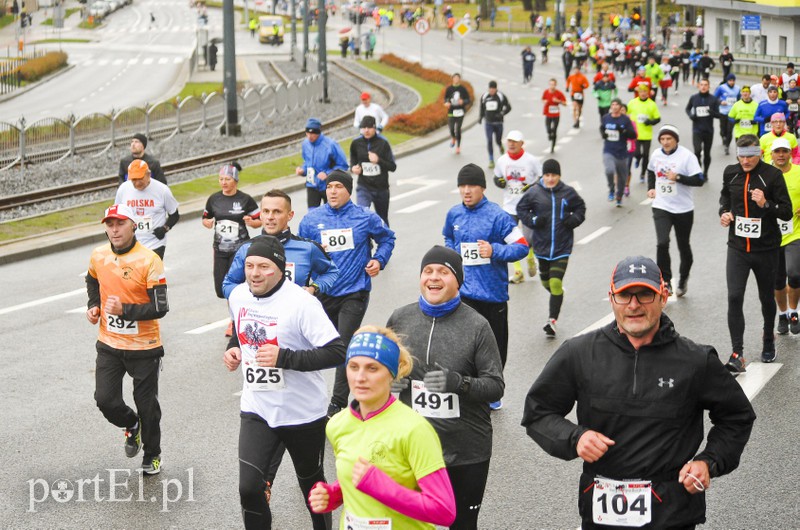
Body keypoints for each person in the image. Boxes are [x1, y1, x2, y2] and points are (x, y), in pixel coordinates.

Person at [521, 255, 757, 530]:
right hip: (600, 511)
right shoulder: (579, 353)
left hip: (671, 511)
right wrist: (576, 437)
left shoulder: (696, 360)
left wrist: (709, 461)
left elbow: (737, 417)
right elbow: (538, 412)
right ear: (611, 298)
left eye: (645, 295)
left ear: (663, 296)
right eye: (624, 295)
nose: (633, 305)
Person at [224, 236, 345, 530]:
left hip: (302, 413)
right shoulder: (238, 295)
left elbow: (337, 352)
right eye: (250, 265)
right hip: (258, 408)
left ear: (279, 269)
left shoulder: (302, 303)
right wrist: (233, 348)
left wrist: (285, 358)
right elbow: (243, 330)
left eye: (263, 266)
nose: (254, 273)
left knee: (312, 489)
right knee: (249, 489)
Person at [386, 248, 503, 529]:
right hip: (411, 447)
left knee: (462, 523)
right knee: (407, 523)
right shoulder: (400, 318)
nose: (434, 278)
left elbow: (496, 387)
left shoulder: (477, 326)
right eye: (428, 271)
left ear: (457, 280)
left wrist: (458, 383)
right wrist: (389, 381)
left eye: (443, 272)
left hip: (465, 450)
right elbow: (379, 369)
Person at [308, 327, 457, 529]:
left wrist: (383, 487)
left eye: (372, 368)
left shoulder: (415, 429)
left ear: (391, 374)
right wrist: (334, 495)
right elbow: (356, 478)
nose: (360, 377)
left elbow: (444, 510)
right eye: (353, 366)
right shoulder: (337, 424)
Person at [298, 171, 396, 417]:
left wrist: (378, 260)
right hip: (323, 292)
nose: (332, 191)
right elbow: (302, 255)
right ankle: (307, 397)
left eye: (338, 186)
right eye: (329, 186)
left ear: (348, 190)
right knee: (316, 345)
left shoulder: (365, 217)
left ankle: (337, 403)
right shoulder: (312, 220)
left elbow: (387, 239)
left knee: (342, 345)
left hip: (355, 291)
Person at [86, 204, 170, 475]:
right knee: (105, 399)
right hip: (110, 343)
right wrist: (94, 305)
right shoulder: (98, 255)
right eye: (109, 224)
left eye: (120, 223)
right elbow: (92, 280)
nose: (114, 229)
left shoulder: (149, 260)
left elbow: (160, 307)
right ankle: (131, 424)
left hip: (145, 347)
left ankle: (153, 454)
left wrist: (126, 310)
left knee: (147, 406)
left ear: (133, 225)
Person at [443, 163, 529, 410]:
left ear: (482, 187)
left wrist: (494, 250)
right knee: (463, 343)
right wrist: (452, 251)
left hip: (493, 294)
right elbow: (449, 237)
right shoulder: (454, 214)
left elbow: (521, 246)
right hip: (464, 293)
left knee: (495, 346)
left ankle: (493, 389)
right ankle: (467, 388)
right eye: (462, 186)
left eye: (472, 186)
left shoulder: (497, 216)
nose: (466, 191)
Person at [719, 134, 793, 371]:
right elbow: (724, 198)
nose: (745, 161)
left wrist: (765, 204)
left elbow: (787, 212)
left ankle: (768, 339)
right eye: (741, 156)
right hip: (738, 248)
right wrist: (724, 212)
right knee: (734, 297)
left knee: (765, 298)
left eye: (750, 156)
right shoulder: (730, 173)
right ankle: (737, 352)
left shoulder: (772, 175)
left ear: (759, 153)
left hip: (766, 249)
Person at [516, 159, 586, 336]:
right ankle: (558, 295)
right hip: (542, 246)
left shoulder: (568, 192)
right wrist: (533, 221)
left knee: (555, 282)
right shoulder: (534, 193)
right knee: (546, 282)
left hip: (562, 246)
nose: (550, 178)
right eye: (547, 175)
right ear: (543, 176)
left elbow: (580, 208)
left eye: (554, 175)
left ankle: (552, 320)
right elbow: (521, 209)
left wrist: (573, 220)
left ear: (559, 175)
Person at [646, 125, 705, 296]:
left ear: (676, 140)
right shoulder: (656, 154)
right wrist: (651, 188)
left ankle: (683, 278)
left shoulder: (687, 156)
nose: (665, 142)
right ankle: (665, 281)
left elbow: (699, 180)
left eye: (669, 139)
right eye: (662, 139)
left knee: (683, 245)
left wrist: (678, 177)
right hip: (661, 205)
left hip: (683, 209)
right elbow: (650, 171)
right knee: (662, 242)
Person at [202, 163, 261, 332]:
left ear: (235, 180)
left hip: (240, 249)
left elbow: (259, 220)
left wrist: (252, 222)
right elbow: (205, 218)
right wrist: (207, 223)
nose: (224, 182)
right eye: (221, 179)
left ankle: (235, 320)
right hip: (220, 249)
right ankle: (236, 317)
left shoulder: (245, 199)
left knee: (236, 285)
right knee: (222, 289)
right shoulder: (213, 199)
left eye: (227, 179)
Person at [492, 130, 542, 283]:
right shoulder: (502, 160)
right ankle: (518, 271)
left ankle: (531, 257)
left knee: (528, 239)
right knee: (510, 239)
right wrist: (498, 182)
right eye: (509, 141)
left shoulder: (531, 160)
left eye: (515, 141)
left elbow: (541, 179)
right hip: (509, 206)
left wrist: (532, 187)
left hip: (528, 206)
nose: (512, 144)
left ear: (522, 143)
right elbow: (497, 177)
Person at [114, 159, 179, 260]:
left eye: (140, 178)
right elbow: (117, 214)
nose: (137, 183)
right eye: (133, 180)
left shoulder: (162, 190)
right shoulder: (123, 189)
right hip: (130, 244)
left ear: (148, 175)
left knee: (151, 275)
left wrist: (164, 229)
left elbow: (175, 215)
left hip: (155, 244)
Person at [770, 139, 800, 336]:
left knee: (795, 273)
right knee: (777, 281)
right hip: (771, 236)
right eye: (777, 151)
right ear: (771, 154)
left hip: (795, 233)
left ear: (790, 153)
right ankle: (782, 314)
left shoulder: (798, 172)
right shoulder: (765, 175)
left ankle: (794, 312)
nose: (781, 154)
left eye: (784, 151)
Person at [351, 115, 397, 226]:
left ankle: (386, 241)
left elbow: (392, 166)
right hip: (364, 187)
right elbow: (353, 161)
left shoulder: (383, 143)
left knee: (382, 220)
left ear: (375, 128)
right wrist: (353, 168)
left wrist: (378, 160)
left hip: (381, 188)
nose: (366, 130)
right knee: (362, 216)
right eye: (363, 127)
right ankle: (365, 242)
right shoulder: (356, 143)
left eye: (369, 127)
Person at [296, 117, 348, 209]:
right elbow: (306, 163)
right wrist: (302, 170)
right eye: (307, 133)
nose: (309, 136)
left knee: (331, 215)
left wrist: (328, 174)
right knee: (312, 216)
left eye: (312, 133)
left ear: (318, 133)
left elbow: (343, 165)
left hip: (328, 186)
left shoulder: (331, 145)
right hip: (311, 185)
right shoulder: (305, 144)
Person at [600, 98, 637, 204]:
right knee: (609, 170)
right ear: (611, 106)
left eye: (617, 105)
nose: (615, 106)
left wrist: (624, 131)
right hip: (608, 150)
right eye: (613, 104)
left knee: (622, 177)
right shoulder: (606, 118)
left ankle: (619, 195)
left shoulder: (625, 120)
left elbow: (633, 135)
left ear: (620, 107)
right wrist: (603, 134)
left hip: (622, 153)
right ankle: (611, 190)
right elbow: (602, 128)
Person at [685, 78, 722, 176]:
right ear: (698, 86)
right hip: (697, 130)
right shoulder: (694, 98)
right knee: (697, 151)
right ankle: (698, 169)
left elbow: (719, 115)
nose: (703, 86)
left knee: (707, 153)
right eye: (701, 84)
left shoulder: (713, 99)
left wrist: (712, 113)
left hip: (708, 131)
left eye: (706, 85)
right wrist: (691, 116)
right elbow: (687, 108)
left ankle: (705, 172)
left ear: (709, 86)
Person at [627, 83, 662, 182]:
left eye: (645, 92)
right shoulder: (632, 103)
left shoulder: (652, 104)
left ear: (648, 93)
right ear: (638, 92)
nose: (643, 94)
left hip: (647, 134)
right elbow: (626, 114)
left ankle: (643, 173)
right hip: (635, 134)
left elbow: (658, 118)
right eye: (641, 91)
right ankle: (637, 159)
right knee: (637, 153)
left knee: (646, 155)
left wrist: (650, 122)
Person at [479, 80, 512, 169]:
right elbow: (482, 108)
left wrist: (502, 113)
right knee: (489, 140)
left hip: (498, 123)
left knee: (497, 140)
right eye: (490, 89)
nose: (492, 90)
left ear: (496, 89)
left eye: (493, 89)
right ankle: (491, 159)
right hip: (488, 123)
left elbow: (509, 107)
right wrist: (480, 117)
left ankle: (500, 145)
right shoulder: (485, 96)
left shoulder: (501, 96)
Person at [444, 73, 471, 155]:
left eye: (457, 78)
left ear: (459, 79)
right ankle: (453, 137)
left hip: (460, 112)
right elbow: (445, 99)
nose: (456, 79)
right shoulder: (449, 89)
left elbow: (468, 99)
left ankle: (458, 147)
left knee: (458, 129)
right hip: (451, 112)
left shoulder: (462, 89)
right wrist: (446, 103)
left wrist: (463, 102)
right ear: (452, 79)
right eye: (454, 78)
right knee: (451, 128)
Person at [715, 74, 740, 155]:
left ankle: (727, 146)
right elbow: (715, 97)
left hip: (732, 113)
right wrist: (720, 102)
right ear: (727, 81)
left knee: (729, 131)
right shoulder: (721, 87)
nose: (732, 82)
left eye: (733, 80)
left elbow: (739, 99)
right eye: (730, 80)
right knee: (723, 130)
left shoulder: (737, 88)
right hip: (723, 111)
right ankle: (723, 137)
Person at [542, 78, 567, 153]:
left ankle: (553, 146)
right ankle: (549, 134)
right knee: (548, 128)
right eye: (550, 84)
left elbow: (565, 103)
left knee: (554, 130)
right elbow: (543, 99)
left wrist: (558, 101)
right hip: (548, 114)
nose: (552, 86)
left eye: (553, 84)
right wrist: (544, 101)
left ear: (555, 85)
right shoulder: (546, 92)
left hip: (556, 114)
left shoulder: (559, 93)